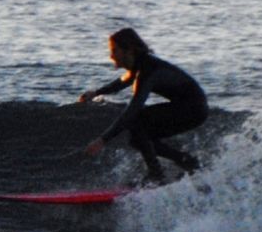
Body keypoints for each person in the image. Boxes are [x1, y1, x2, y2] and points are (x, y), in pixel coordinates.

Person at [77, 28, 207, 181]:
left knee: (137, 120)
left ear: (129, 50)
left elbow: (134, 108)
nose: (111, 55)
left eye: (115, 50)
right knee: (139, 139)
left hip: (192, 108)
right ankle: (188, 162)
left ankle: (156, 175)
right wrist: (97, 92)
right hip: (192, 108)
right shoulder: (141, 65)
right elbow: (124, 80)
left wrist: (103, 140)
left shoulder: (148, 71)